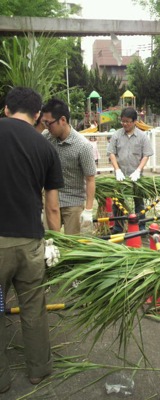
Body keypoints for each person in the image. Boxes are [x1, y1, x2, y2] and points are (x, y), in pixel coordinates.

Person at [0, 87, 64, 393]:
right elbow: (52, 207)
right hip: (31, 243)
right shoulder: (46, 148)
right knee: (33, 309)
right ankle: (38, 370)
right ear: (38, 115)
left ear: (6, 109)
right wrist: (57, 242)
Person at [42, 99, 97, 234]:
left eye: (49, 123)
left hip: (73, 202)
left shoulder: (83, 146)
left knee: (72, 245)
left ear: (62, 120)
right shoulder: (45, 138)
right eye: (45, 123)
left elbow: (90, 179)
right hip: (50, 199)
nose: (46, 127)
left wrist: (89, 210)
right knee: (48, 241)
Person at [107, 107, 153, 233]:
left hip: (136, 176)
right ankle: (118, 227)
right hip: (121, 176)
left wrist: (138, 171)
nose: (125, 124)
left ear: (134, 122)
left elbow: (146, 155)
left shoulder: (142, 136)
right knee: (118, 202)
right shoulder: (117, 135)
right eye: (123, 121)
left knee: (139, 201)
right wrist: (117, 170)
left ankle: (141, 226)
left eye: (127, 121)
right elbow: (111, 153)